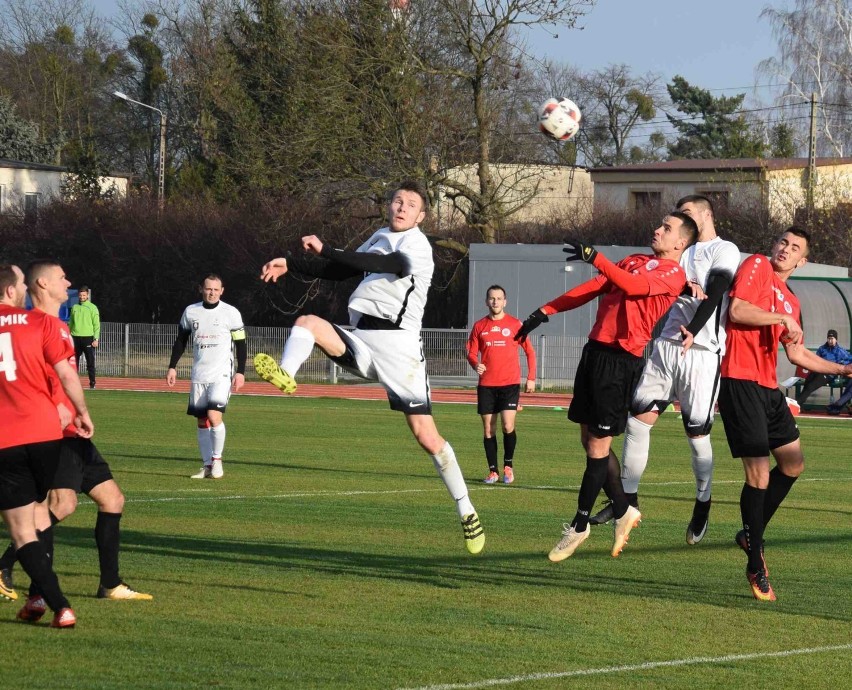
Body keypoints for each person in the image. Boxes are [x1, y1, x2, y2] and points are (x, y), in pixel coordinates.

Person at [252, 180, 485, 555]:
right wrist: (291, 263)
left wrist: (328, 247)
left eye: (411, 204)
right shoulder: (379, 234)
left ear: (421, 216)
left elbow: (380, 264)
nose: (402, 207)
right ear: (389, 207)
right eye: (397, 201)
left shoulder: (417, 246)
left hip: (399, 350)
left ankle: (466, 509)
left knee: (427, 438)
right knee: (306, 323)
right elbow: (341, 270)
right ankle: (286, 375)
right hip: (360, 336)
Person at [514, 213, 697, 562]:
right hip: (595, 352)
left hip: (620, 361)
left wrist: (595, 256)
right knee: (589, 441)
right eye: (658, 224)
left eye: (666, 228)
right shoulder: (635, 260)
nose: (657, 229)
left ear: (680, 243)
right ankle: (624, 508)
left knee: (599, 444)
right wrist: (545, 310)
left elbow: (633, 287)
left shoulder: (673, 274)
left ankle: (579, 524)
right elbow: (597, 286)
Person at [589, 195, 741, 546]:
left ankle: (703, 502)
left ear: (705, 215)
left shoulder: (724, 249)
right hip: (668, 345)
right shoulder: (677, 251)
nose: (677, 220)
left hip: (701, 351)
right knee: (638, 420)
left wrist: (696, 325)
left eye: (686, 214)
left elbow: (717, 291)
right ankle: (627, 501)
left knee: (697, 434)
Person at [0, 260, 152, 605]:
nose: (68, 282)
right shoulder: (35, 325)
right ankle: (9, 569)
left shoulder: (58, 325)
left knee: (112, 499)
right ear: (41, 284)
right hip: (54, 434)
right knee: (61, 504)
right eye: (61, 278)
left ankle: (110, 584)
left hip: (73, 432)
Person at [718, 226, 852, 602]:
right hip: (739, 381)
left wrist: (843, 370)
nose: (785, 249)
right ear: (774, 245)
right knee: (759, 474)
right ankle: (755, 560)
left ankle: (750, 534)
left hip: (767, 388)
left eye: (795, 248)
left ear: (802, 260)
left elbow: (796, 355)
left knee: (793, 464)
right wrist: (780, 320)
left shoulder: (792, 300)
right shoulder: (757, 266)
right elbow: (738, 310)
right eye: (783, 242)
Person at [0, 263, 93, 628]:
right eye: (20, 284)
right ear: (10, 291)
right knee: (39, 517)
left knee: (23, 530)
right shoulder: (40, 323)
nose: (23, 289)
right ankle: (37, 599)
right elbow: (67, 373)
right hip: (45, 435)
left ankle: (60, 605)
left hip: (6, 439)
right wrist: (81, 412)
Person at [167, 275, 247, 479]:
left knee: (214, 416)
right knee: (202, 421)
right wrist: (172, 367)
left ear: (222, 291)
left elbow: (241, 344)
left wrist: (240, 371)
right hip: (199, 374)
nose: (211, 292)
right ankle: (206, 465)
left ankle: (217, 460)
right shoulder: (191, 312)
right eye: (208, 289)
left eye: (215, 289)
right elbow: (181, 340)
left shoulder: (231, 313)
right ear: (201, 289)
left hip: (221, 374)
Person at [466, 285, 536, 485]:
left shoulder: (515, 324)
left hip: (510, 384)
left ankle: (508, 466)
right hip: (487, 385)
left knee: (508, 425)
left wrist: (531, 377)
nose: (495, 301)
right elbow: (471, 352)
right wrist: (475, 364)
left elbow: (530, 351)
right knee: (489, 429)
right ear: (486, 301)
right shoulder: (480, 326)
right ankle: (493, 471)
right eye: (492, 298)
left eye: (499, 298)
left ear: (505, 301)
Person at [794, 329, 851, 407]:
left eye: (832, 339)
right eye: (829, 338)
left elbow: (849, 360)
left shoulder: (840, 351)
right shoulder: (822, 349)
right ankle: (799, 402)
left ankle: (797, 403)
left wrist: (842, 363)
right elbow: (816, 359)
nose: (830, 341)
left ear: (836, 339)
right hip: (818, 370)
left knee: (811, 386)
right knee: (807, 381)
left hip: (829, 374)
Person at [69, 285, 100, 389]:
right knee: (73, 363)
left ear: (87, 295)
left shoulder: (92, 307)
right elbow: (71, 323)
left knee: (90, 362)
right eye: (80, 295)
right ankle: (73, 383)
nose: (82, 297)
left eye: (84, 295)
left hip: (88, 338)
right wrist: (69, 336)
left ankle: (92, 383)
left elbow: (96, 324)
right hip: (75, 338)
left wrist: (96, 339)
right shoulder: (74, 307)